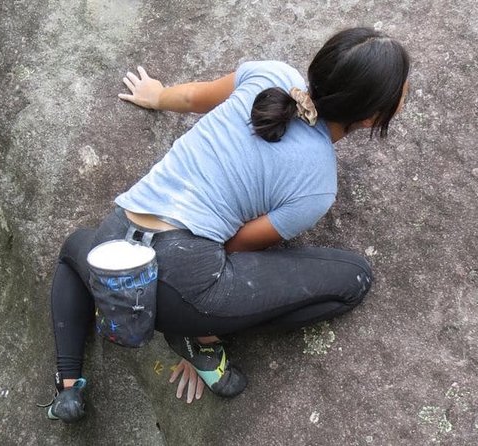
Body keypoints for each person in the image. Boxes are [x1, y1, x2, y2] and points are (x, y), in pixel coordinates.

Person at [44, 27, 410, 423]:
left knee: (73, 251)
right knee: (354, 278)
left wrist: (157, 96)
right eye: (403, 87)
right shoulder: (317, 186)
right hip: (179, 283)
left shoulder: (270, 73)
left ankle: (67, 388)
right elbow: (235, 245)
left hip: (114, 242)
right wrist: (202, 319)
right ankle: (198, 339)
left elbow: (189, 97)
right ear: (372, 115)